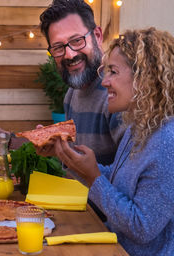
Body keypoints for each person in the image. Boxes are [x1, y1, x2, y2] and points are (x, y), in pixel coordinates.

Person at [54, 27, 174, 255]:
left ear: (144, 78)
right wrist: (71, 158)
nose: (105, 81)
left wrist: (93, 178)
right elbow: (121, 181)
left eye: (113, 72)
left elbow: (142, 227)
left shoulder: (168, 142)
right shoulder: (140, 127)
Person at [0, 0, 125, 166]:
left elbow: (130, 181)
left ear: (97, 36)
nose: (69, 54)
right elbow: (71, 159)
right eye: (58, 47)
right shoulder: (72, 94)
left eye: (77, 40)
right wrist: (5, 139)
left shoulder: (117, 94)